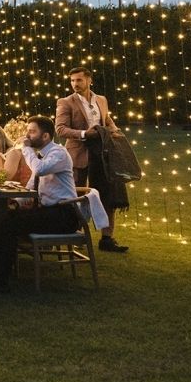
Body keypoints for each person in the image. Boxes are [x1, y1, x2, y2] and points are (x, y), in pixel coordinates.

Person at [0, 116, 79, 293]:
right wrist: (16, 203)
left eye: (32, 132)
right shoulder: (39, 156)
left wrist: (26, 149)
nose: (27, 136)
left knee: (9, 224)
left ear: (46, 136)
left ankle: (0, 280)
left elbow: (35, 170)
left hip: (64, 214)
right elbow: (31, 188)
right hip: (47, 210)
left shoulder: (57, 153)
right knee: (6, 218)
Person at [55, 66, 127, 252]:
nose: (75, 84)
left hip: (102, 153)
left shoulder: (101, 100)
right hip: (79, 153)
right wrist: (83, 133)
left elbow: (107, 120)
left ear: (89, 80)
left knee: (107, 194)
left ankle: (107, 238)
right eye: (72, 81)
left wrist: (115, 130)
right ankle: (75, 233)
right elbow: (61, 129)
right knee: (76, 195)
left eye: (79, 80)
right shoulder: (66, 102)